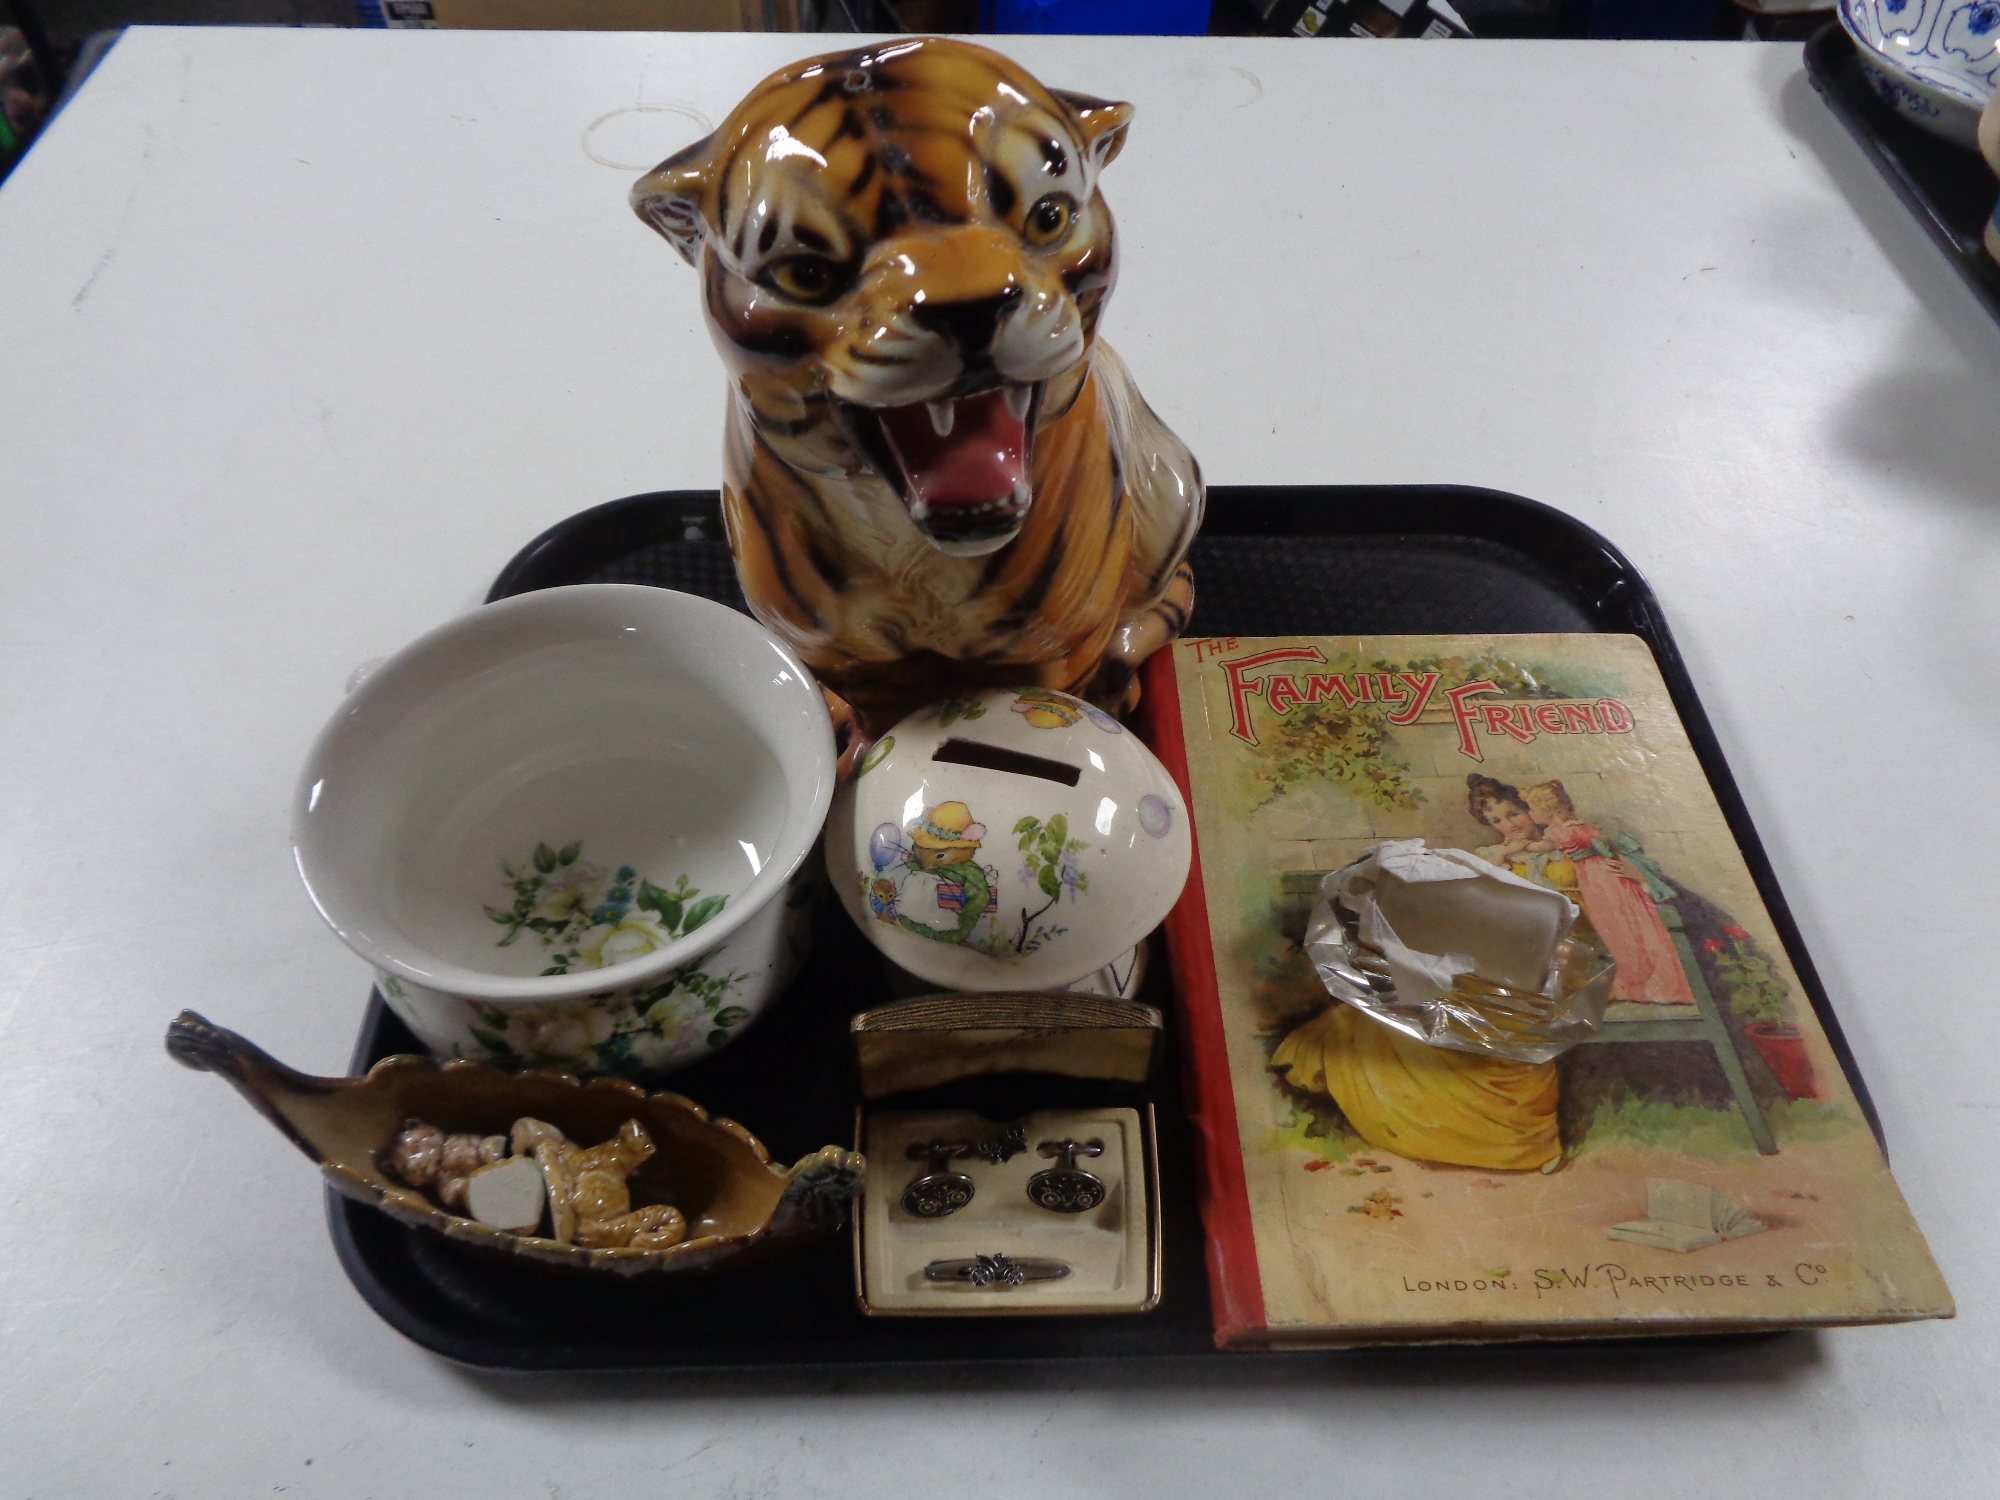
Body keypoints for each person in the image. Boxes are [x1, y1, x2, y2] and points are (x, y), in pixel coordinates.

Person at [1269, 775, 1564, 1173]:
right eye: (1499, 820)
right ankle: (1446, 1128)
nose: (1509, 825)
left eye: (1515, 814)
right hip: (1466, 967)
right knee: (1387, 1014)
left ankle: (1504, 1138)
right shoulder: (1486, 858)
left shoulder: (1562, 854)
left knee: (1489, 1021)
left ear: (1533, 811)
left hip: (1519, 977)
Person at [1521, 780, 1695, 1006]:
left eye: (1532, 810)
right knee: (1626, 927)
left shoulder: (1556, 832)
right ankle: (1642, 984)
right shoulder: (1583, 826)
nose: (1531, 815)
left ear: (1546, 810)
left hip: (1598, 881)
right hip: (1608, 874)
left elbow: (1540, 848)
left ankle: (1638, 985)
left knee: (1616, 928)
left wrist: (1521, 845)